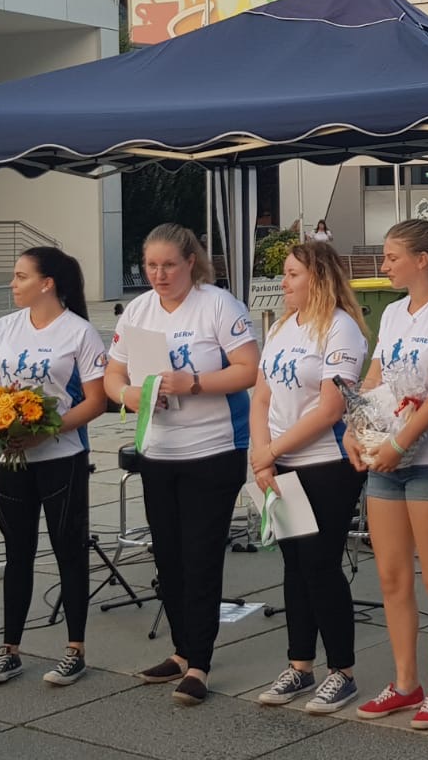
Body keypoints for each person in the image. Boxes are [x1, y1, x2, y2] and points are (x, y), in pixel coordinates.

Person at [107, 223, 260, 706]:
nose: (159, 274)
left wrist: (193, 383)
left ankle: (200, 663)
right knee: (168, 556)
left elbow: (248, 369)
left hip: (213, 449)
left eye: (169, 265)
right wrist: (127, 394)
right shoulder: (139, 309)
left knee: (200, 555)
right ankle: (180, 650)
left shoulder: (217, 304)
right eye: (150, 265)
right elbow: (113, 373)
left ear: (191, 262)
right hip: (159, 450)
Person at [341, 219, 428, 730]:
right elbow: (374, 379)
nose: (384, 265)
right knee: (393, 576)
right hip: (386, 459)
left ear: (423, 260)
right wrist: (357, 430)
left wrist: (400, 442)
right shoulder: (394, 312)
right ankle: (404, 682)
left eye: (392, 257)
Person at [0, 247, 108, 688]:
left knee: (69, 550)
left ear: (47, 283)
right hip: (9, 458)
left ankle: (75, 649)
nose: (12, 284)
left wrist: (46, 430)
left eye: (21, 276)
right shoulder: (5, 327)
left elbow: (96, 401)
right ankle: (10, 649)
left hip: (61, 458)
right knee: (18, 552)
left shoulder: (79, 332)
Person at [252, 241, 369, 715]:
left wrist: (271, 451)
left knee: (321, 567)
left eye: (293, 274)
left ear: (318, 278)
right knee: (294, 567)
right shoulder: (281, 327)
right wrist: (262, 458)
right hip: (279, 464)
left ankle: (342, 671)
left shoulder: (341, 329)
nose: (283, 282)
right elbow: (261, 397)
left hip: (325, 464)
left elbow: (330, 408)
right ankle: (299, 664)